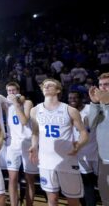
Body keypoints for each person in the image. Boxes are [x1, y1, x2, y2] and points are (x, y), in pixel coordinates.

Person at [29, 79, 88, 206]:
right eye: (44, 85)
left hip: (67, 161)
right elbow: (35, 132)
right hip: (45, 162)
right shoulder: (35, 110)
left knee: (73, 201)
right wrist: (34, 145)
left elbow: (83, 133)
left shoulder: (70, 110)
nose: (46, 86)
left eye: (50, 85)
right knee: (52, 199)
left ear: (58, 90)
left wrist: (79, 145)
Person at [5, 82, 38, 206]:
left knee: (30, 180)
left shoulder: (27, 103)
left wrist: (16, 103)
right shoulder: (7, 105)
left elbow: (24, 121)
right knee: (12, 179)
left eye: (14, 90)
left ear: (19, 91)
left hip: (27, 143)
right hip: (13, 144)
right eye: (9, 91)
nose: (11, 93)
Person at [68, 91, 98, 206]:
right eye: (70, 98)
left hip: (96, 153)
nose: (72, 100)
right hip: (80, 155)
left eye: (75, 98)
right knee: (87, 185)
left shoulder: (90, 109)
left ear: (81, 99)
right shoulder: (68, 112)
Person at [88, 72, 109, 206]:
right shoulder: (100, 105)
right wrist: (94, 103)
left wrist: (106, 103)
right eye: (100, 85)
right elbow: (92, 124)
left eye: (106, 85)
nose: (102, 88)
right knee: (104, 192)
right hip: (103, 157)